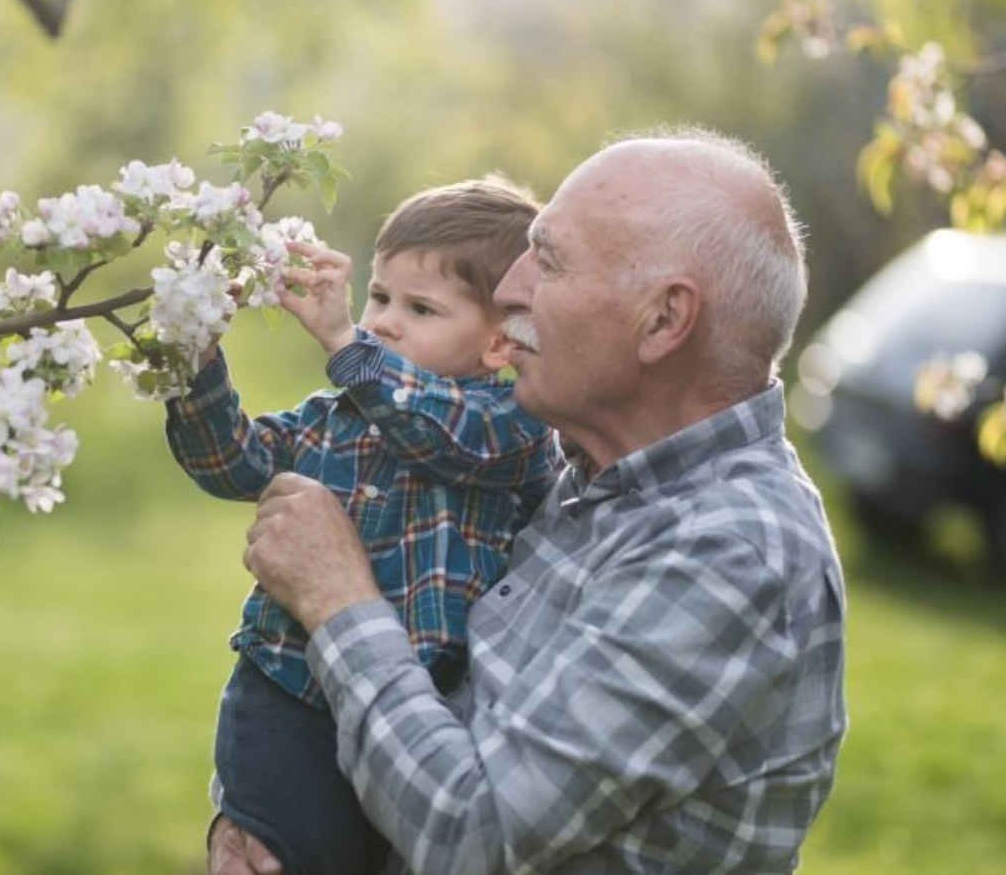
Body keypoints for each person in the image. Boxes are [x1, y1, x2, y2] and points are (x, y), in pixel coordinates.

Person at [219, 128, 849, 875]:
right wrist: (263, 819)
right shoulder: (566, 467)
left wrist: (336, 600)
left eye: (547, 259)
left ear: (663, 320)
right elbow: (428, 727)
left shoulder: (731, 549)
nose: (510, 288)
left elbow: (472, 834)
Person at [166, 177, 564, 875]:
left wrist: (349, 345)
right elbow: (231, 465)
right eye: (379, 297)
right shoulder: (338, 415)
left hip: (421, 713)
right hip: (288, 695)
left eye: (420, 307)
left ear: (500, 342)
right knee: (286, 855)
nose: (382, 321)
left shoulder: (512, 426)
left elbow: (438, 433)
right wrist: (194, 363)